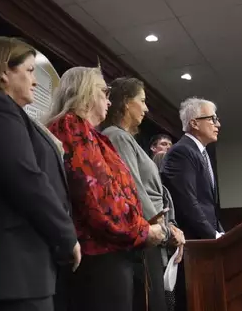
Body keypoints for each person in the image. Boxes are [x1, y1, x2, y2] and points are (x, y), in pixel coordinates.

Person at [0, 37, 80, 311]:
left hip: (20, 274)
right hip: (8, 275)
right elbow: (26, 178)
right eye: (30, 70)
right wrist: (66, 234)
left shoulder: (7, 114)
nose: (35, 81)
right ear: (3, 73)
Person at [46, 67, 167, 311]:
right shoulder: (71, 128)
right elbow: (98, 200)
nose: (109, 100)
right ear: (86, 93)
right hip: (97, 258)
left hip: (113, 253)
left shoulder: (92, 134)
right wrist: (143, 230)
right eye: (104, 91)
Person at [100, 77, 184, 311]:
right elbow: (134, 189)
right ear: (126, 103)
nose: (146, 108)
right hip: (146, 235)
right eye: (143, 101)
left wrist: (170, 227)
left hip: (154, 233)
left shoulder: (127, 138)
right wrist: (165, 230)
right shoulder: (116, 136)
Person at [160, 97, 223, 311]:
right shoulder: (182, 152)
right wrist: (213, 236)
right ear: (194, 123)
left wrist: (222, 234)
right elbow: (188, 203)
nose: (218, 124)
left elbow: (208, 205)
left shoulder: (202, 153)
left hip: (203, 243)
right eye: (212, 119)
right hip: (192, 246)